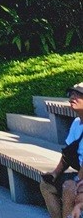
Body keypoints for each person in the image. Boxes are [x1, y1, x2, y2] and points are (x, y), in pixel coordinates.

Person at [43, 83, 83, 218]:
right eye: (71, 94)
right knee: (46, 185)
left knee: (69, 187)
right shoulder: (76, 123)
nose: (72, 97)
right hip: (80, 173)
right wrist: (54, 173)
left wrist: (78, 180)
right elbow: (67, 155)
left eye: (78, 95)